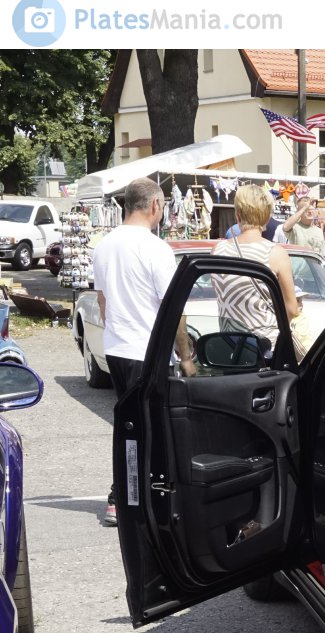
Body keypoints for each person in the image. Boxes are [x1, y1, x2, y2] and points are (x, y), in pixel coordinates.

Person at [91, 177, 195, 526]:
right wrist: (186, 355)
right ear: (153, 205)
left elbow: (103, 302)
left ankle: (130, 497)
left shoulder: (105, 245)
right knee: (151, 428)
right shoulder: (155, 248)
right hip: (146, 350)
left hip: (117, 348)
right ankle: (129, 498)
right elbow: (174, 308)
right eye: (163, 206)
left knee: (129, 424)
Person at [212, 184, 304, 353]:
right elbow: (291, 309)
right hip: (264, 349)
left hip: (228, 348)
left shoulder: (218, 250)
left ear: (237, 214)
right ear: (268, 217)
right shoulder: (275, 253)